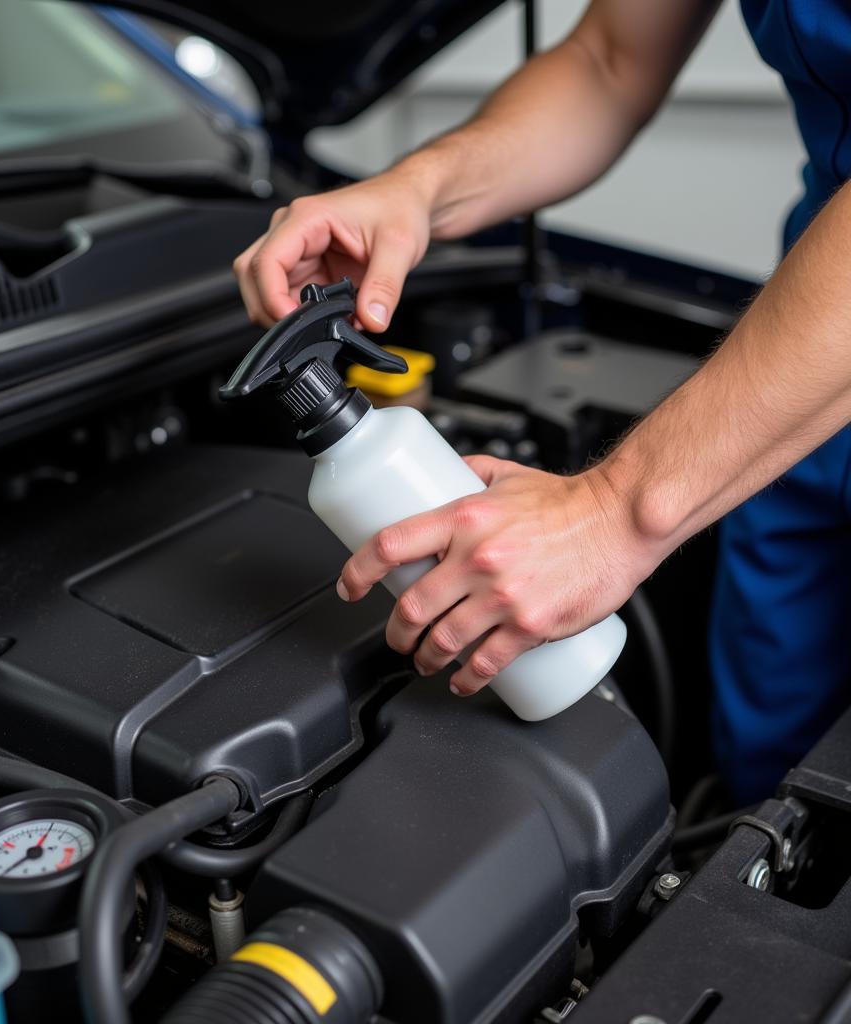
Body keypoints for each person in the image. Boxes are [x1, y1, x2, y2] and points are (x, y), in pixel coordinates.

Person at [232, 0, 851, 804]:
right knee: (769, 785)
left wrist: (616, 509)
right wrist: (416, 191)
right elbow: (608, 60)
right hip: (789, 390)